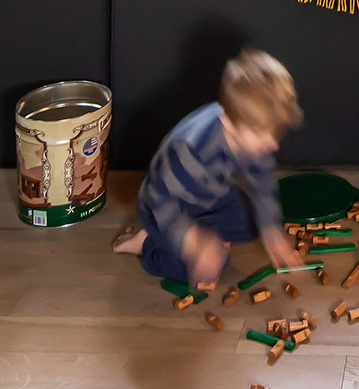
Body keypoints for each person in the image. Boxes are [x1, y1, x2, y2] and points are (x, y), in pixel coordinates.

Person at [112, 49, 298, 287]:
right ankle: (145, 243)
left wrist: (271, 232)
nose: (272, 143)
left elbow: (262, 181)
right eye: (263, 134)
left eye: (275, 132)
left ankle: (201, 231)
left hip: (210, 197)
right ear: (228, 122)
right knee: (207, 266)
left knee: (256, 222)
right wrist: (194, 245)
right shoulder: (191, 149)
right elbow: (161, 202)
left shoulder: (252, 130)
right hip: (164, 208)